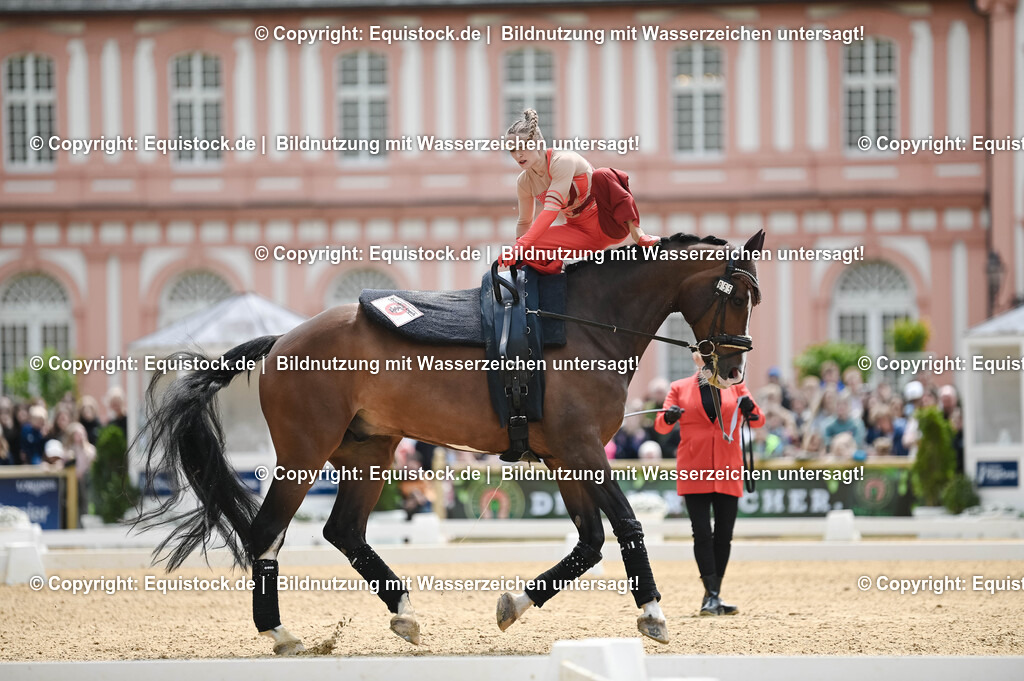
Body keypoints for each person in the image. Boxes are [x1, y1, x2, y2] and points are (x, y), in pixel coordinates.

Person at [654, 352, 764, 616]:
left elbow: (758, 420)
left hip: (728, 469)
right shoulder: (679, 388)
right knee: (701, 533)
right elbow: (660, 427)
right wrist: (669, 417)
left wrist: (750, 409)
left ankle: (712, 593)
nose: (708, 368)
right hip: (694, 469)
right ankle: (712, 594)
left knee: (724, 534)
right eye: (704, 364)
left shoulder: (736, 384)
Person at [498, 109, 660, 273]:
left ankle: (638, 233)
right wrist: (520, 254)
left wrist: (519, 246)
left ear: (539, 143)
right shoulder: (524, 182)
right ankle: (557, 280)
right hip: (578, 232)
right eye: (512, 150)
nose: (518, 155)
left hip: (609, 222)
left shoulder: (562, 161)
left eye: (523, 147)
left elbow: (551, 211)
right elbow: (524, 222)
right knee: (528, 251)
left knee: (603, 174)